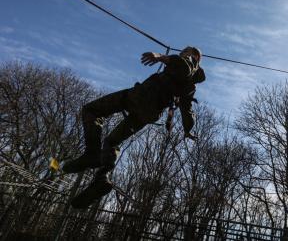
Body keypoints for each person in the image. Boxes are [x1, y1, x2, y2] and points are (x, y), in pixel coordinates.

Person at [63, 46, 206, 208]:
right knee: (112, 142)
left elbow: (182, 64)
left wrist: (159, 56)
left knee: (92, 110)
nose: (182, 52)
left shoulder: (188, 62)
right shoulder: (191, 87)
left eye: (185, 51)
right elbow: (187, 109)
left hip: (140, 97)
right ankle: (102, 179)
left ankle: (91, 154)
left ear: (194, 56)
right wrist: (188, 129)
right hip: (149, 113)